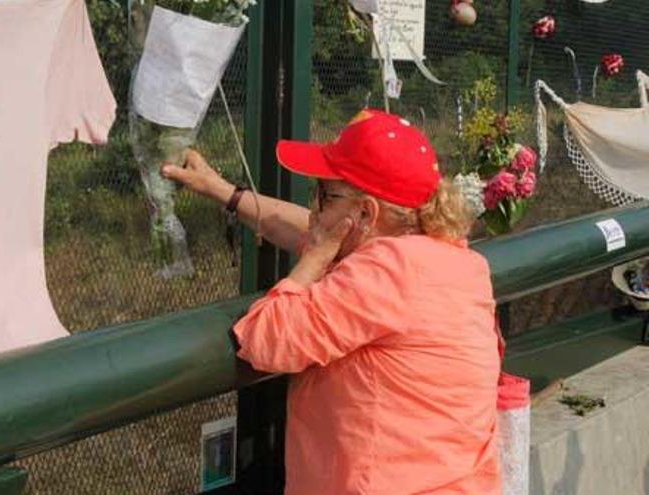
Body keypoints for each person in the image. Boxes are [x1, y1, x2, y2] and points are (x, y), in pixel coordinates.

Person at [162, 109, 501, 494]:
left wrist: (313, 260)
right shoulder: (453, 261)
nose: (314, 209)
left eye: (325, 195)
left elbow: (267, 337)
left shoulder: (382, 272)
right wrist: (225, 192)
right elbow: (302, 226)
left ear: (366, 212)